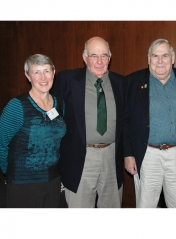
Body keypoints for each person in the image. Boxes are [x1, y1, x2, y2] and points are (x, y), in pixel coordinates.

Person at [123, 38, 176, 208]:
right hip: (148, 154)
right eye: (155, 56)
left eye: (164, 55)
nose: (160, 61)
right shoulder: (133, 82)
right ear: (148, 58)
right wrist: (128, 154)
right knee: (146, 205)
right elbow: (125, 120)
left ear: (173, 57)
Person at [52, 36, 124, 208]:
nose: (99, 61)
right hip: (80, 157)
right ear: (84, 58)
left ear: (110, 57)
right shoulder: (67, 81)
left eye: (104, 55)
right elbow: (53, 119)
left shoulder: (121, 83)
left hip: (112, 156)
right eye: (93, 56)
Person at [0, 54, 66, 208]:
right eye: (36, 72)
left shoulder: (60, 104)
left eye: (46, 71)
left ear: (54, 72)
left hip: (53, 180)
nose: (43, 77)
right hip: (24, 183)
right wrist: (8, 172)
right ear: (27, 76)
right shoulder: (17, 106)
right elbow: (1, 143)